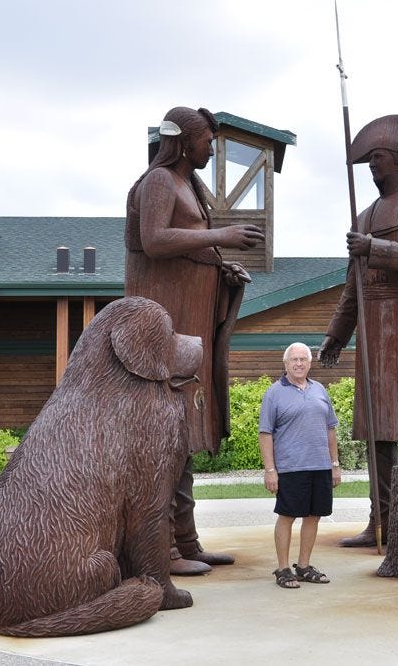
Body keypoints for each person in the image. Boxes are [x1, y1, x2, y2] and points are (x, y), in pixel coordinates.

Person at [125, 106, 265, 576]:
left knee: (181, 432)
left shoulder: (191, 187)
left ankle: (185, 541)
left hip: (191, 319)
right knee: (163, 436)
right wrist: (224, 234)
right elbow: (154, 240)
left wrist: (220, 265)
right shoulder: (160, 181)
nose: (211, 148)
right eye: (207, 141)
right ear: (184, 142)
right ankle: (159, 551)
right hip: (164, 322)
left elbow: (189, 244)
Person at [319, 112, 398, 548]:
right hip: (375, 335)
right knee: (379, 434)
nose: (372, 167)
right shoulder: (365, 214)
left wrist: (375, 246)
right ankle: (382, 522)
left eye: (378, 158)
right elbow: (353, 286)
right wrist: (338, 333)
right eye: (369, 160)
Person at [259, 342, 341, 588]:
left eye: (303, 359)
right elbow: (265, 433)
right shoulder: (274, 393)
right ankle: (283, 569)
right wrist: (270, 470)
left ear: (309, 363)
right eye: (294, 359)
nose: (298, 363)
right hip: (291, 468)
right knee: (287, 516)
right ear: (285, 364)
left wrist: (335, 464)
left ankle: (304, 566)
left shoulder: (319, 389)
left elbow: (330, 429)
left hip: (320, 466)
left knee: (314, 516)